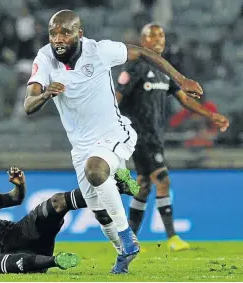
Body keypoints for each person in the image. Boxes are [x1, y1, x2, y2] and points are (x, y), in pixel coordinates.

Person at [24, 10, 204, 273]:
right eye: (53, 33)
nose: (58, 38)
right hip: (81, 146)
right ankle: (122, 252)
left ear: (79, 34)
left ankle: (127, 236)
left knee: (96, 170)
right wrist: (45, 95)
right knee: (100, 212)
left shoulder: (99, 51)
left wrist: (181, 79)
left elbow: (143, 53)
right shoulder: (44, 58)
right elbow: (28, 105)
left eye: (65, 32)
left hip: (114, 133)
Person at [115, 23, 230, 251]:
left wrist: (211, 115)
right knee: (163, 179)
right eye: (152, 35)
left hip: (155, 136)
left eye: (161, 35)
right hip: (139, 136)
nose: (158, 39)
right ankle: (172, 237)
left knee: (144, 185)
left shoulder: (164, 71)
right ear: (143, 41)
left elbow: (184, 99)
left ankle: (129, 240)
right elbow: (116, 98)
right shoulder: (135, 68)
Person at [0, 166, 142, 274]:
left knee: (56, 201)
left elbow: (16, 199)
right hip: (13, 259)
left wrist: (19, 185)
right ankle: (54, 262)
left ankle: (115, 187)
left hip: (21, 232)